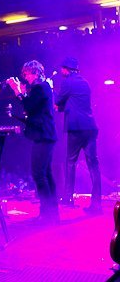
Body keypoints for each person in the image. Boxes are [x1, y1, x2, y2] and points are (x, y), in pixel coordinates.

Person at [7, 59, 59, 224]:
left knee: (39, 174)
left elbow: (29, 107)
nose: (25, 77)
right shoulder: (43, 87)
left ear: (35, 73)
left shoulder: (40, 88)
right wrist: (23, 94)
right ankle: (52, 213)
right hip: (46, 135)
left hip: (43, 136)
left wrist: (18, 92)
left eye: (27, 74)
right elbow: (33, 107)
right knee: (46, 173)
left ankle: (47, 213)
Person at [55, 57, 102, 215]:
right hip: (90, 127)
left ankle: (68, 198)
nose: (61, 71)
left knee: (70, 162)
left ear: (67, 69)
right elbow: (74, 103)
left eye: (62, 68)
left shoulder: (67, 82)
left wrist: (50, 88)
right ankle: (97, 204)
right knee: (93, 165)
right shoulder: (85, 83)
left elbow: (58, 102)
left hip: (76, 128)